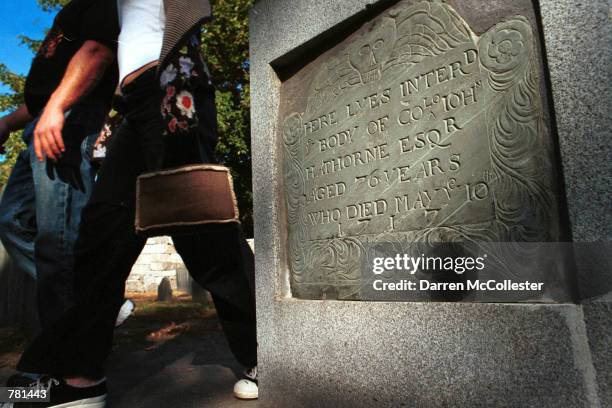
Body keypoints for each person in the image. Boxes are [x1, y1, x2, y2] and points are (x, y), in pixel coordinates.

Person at [11, 0, 258, 406]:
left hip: (174, 90)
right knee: (101, 236)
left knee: (204, 233)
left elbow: (99, 49)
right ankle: (81, 379)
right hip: (136, 105)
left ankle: (265, 352)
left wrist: (56, 107)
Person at [0, 0, 118, 330]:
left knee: (58, 240)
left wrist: (58, 107)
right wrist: (8, 122)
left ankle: (65, 366)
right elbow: (43, 92)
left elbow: (98, 52)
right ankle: (89, 298)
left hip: (69, 118)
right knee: (13, 220)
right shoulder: (70, 12)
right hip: (43, 119)